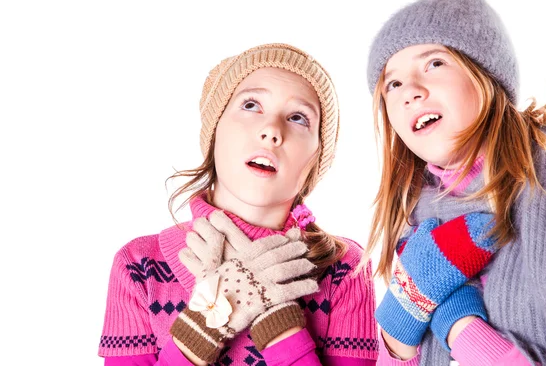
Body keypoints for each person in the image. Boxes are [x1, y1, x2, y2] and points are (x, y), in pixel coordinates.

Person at [98, 43, 379, 365]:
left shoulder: (345, 269)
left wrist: (277, 321)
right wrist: (204, 323)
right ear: (215, 130)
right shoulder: (139, 265)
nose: (272, 130)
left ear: (316, 156)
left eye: (298, 118)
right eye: (251, 105)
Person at [360, 0, 546, 365]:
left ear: (487, 79)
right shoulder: (416, 232)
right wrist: (396, 329)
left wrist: (455, 321)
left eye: (434, 63)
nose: (410, 91)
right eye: (392, 85)